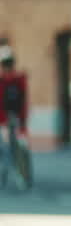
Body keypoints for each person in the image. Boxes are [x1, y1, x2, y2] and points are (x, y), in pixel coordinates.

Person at [0, 45, 31, 185]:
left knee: (21, 147)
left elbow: (24, 101)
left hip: (17, 119)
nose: (7, 66)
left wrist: (23, 123)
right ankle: (5, 173)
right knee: (4, 147)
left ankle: (22, 175)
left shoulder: (19, 79)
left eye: (8, 62)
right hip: (4, 120)